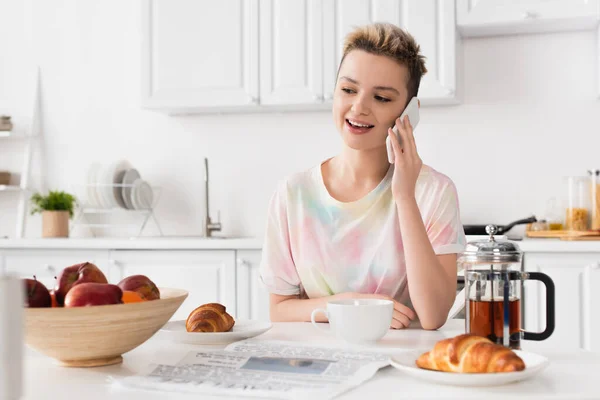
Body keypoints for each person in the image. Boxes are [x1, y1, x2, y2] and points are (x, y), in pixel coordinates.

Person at [259, 23, 466, 330]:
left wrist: (405, 196)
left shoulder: (433, 191)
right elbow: (280, 309)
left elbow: (434, 316)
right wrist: (351, 306)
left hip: (401, 361)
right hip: (317, 360)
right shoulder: (294, 193)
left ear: (409, 112)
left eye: (381, 97)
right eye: (348, 90)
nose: (359, 107)